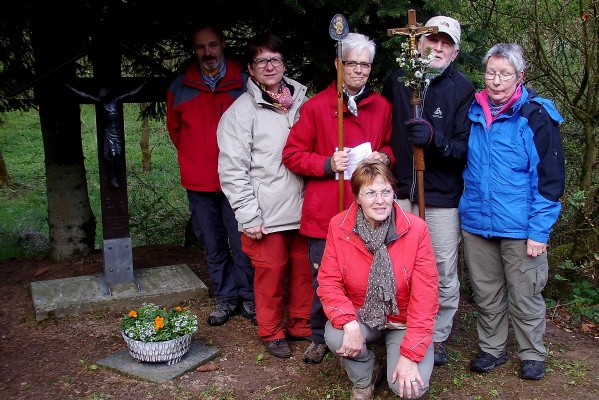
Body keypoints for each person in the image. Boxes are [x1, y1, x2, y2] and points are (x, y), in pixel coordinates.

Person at [283, 32, 394, 365]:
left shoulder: (381, 106)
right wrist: (327, 163)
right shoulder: (316, 107)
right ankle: (320, 335)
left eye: (365, 64)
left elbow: (389, 146)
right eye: (352, 63)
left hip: (368, 209)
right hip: (327, 210)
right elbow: (291, 154)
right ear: (339, 65)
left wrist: (385, 157)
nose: (359, 70)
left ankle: (372, 329)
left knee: (370, 273)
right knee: (324, 276)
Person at [459, 43, 565, 381]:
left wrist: (539, 231)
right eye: (491, 73)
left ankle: (531, 353)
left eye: (504, 74)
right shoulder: (473, 111)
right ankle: (492, 348)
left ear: (519, 76)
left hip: (520, 226)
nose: (496, 80)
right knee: (486, 292)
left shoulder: (535, 115)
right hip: (477, 221)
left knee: (525, 293)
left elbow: (549, 179)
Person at [382, 15, 475, 366]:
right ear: (418, 42)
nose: (437, 48)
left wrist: (435, 142)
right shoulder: (399, 80)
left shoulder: (462, 89)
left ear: (455, 51)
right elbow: (384, 127)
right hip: (401, 191)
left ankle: (436, 335)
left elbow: (466, 149)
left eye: (445, 43)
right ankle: (402, 327)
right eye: (431, 40)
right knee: (398, 262)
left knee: (440, 267)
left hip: (440, 196)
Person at [217, 32, 313, 359]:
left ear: (284, 63)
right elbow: (232, 171)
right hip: (266, 211)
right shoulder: (240, 113)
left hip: (305, 206)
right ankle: (271, 330)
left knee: (303, 269)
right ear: (250, 68)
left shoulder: (302, 100)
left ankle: (301, 323)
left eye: (275, 59)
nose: (269, 66)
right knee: (270, 274)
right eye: (261, 60)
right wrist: (248, 216)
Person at [317, 159, 438, 400]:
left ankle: (398, 355)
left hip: (403, 319)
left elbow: (426, 297)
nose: (380, 200)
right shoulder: (339, 226)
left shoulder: (416, 229)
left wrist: (410, 354)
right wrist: (349, 321)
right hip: (363, 313)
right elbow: (329, 281)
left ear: (394, 193)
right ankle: (366, 377)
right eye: (370, 193)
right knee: (336, 333)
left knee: (410, 390)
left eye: (386, 191)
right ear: (357, 197)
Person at [166, 23, 255, 327]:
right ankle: (226, 297)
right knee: (214, 244)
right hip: (200, 182)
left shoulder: (243, 83)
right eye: (201, 47)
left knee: (243, 242)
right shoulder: (180, 87)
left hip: (238, 181)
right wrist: (197, 160)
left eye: (213, 45)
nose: (208, 53)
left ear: (223, 45)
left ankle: (249, 298)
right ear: (194, 50)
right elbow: (175, 132)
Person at [66, 82, 146, 188]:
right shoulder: (101, 102)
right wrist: (71, 87)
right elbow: (84, 95)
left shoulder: (116, 100)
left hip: (118, 132)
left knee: (119, 154)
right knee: (113, 155)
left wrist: (142, 85)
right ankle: (113, 178)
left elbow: (130, 93)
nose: (103, 95)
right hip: (110, 132)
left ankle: (115, 176)